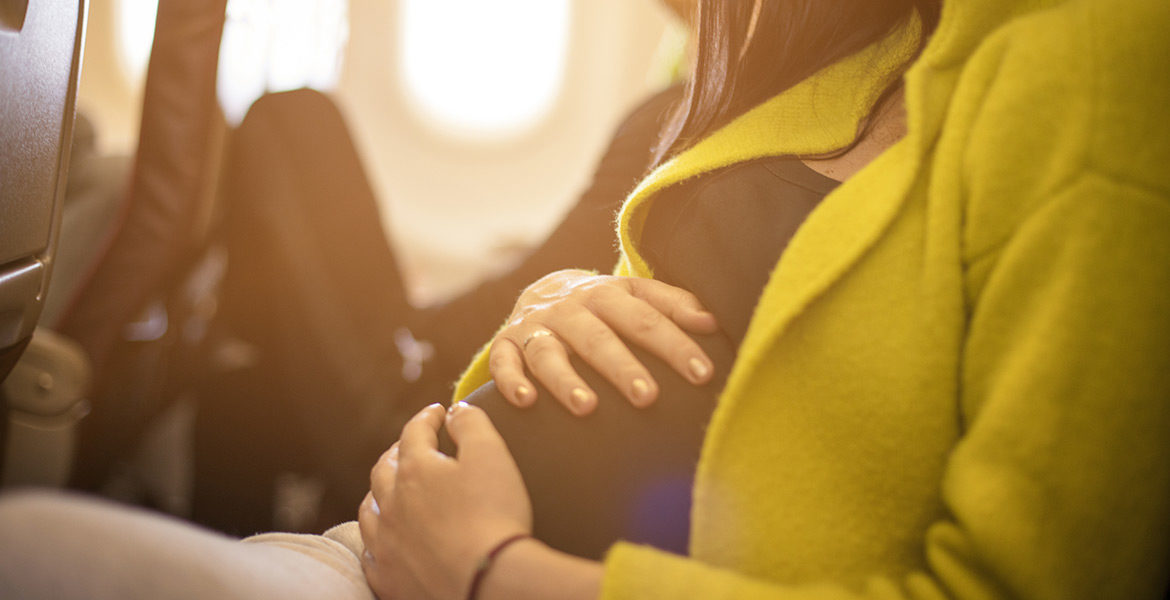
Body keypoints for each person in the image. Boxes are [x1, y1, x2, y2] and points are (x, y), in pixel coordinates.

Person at [2, 0, 1169, 599]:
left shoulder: (1098, 63)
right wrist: (551, 306)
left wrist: (495, 571)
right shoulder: (881, 56)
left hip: (480, 575)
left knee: (27, 555)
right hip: (403, 529)